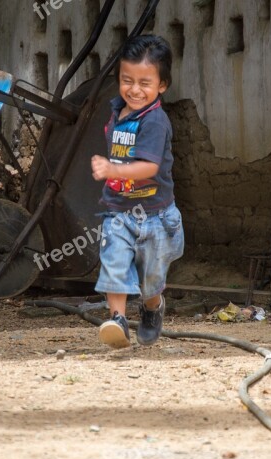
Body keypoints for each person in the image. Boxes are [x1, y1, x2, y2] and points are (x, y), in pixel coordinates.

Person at [91, 34, 184, 349]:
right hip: (118, 212)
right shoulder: (118, 110)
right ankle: (117, 319)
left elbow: (148, 167)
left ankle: (152, 307)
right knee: (114, 262)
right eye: (126, 80)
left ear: (162, 85)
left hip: (156, 217)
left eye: (144, 83)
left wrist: (113, 170)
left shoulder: (155, 121)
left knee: (150, 282)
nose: (134, 89)